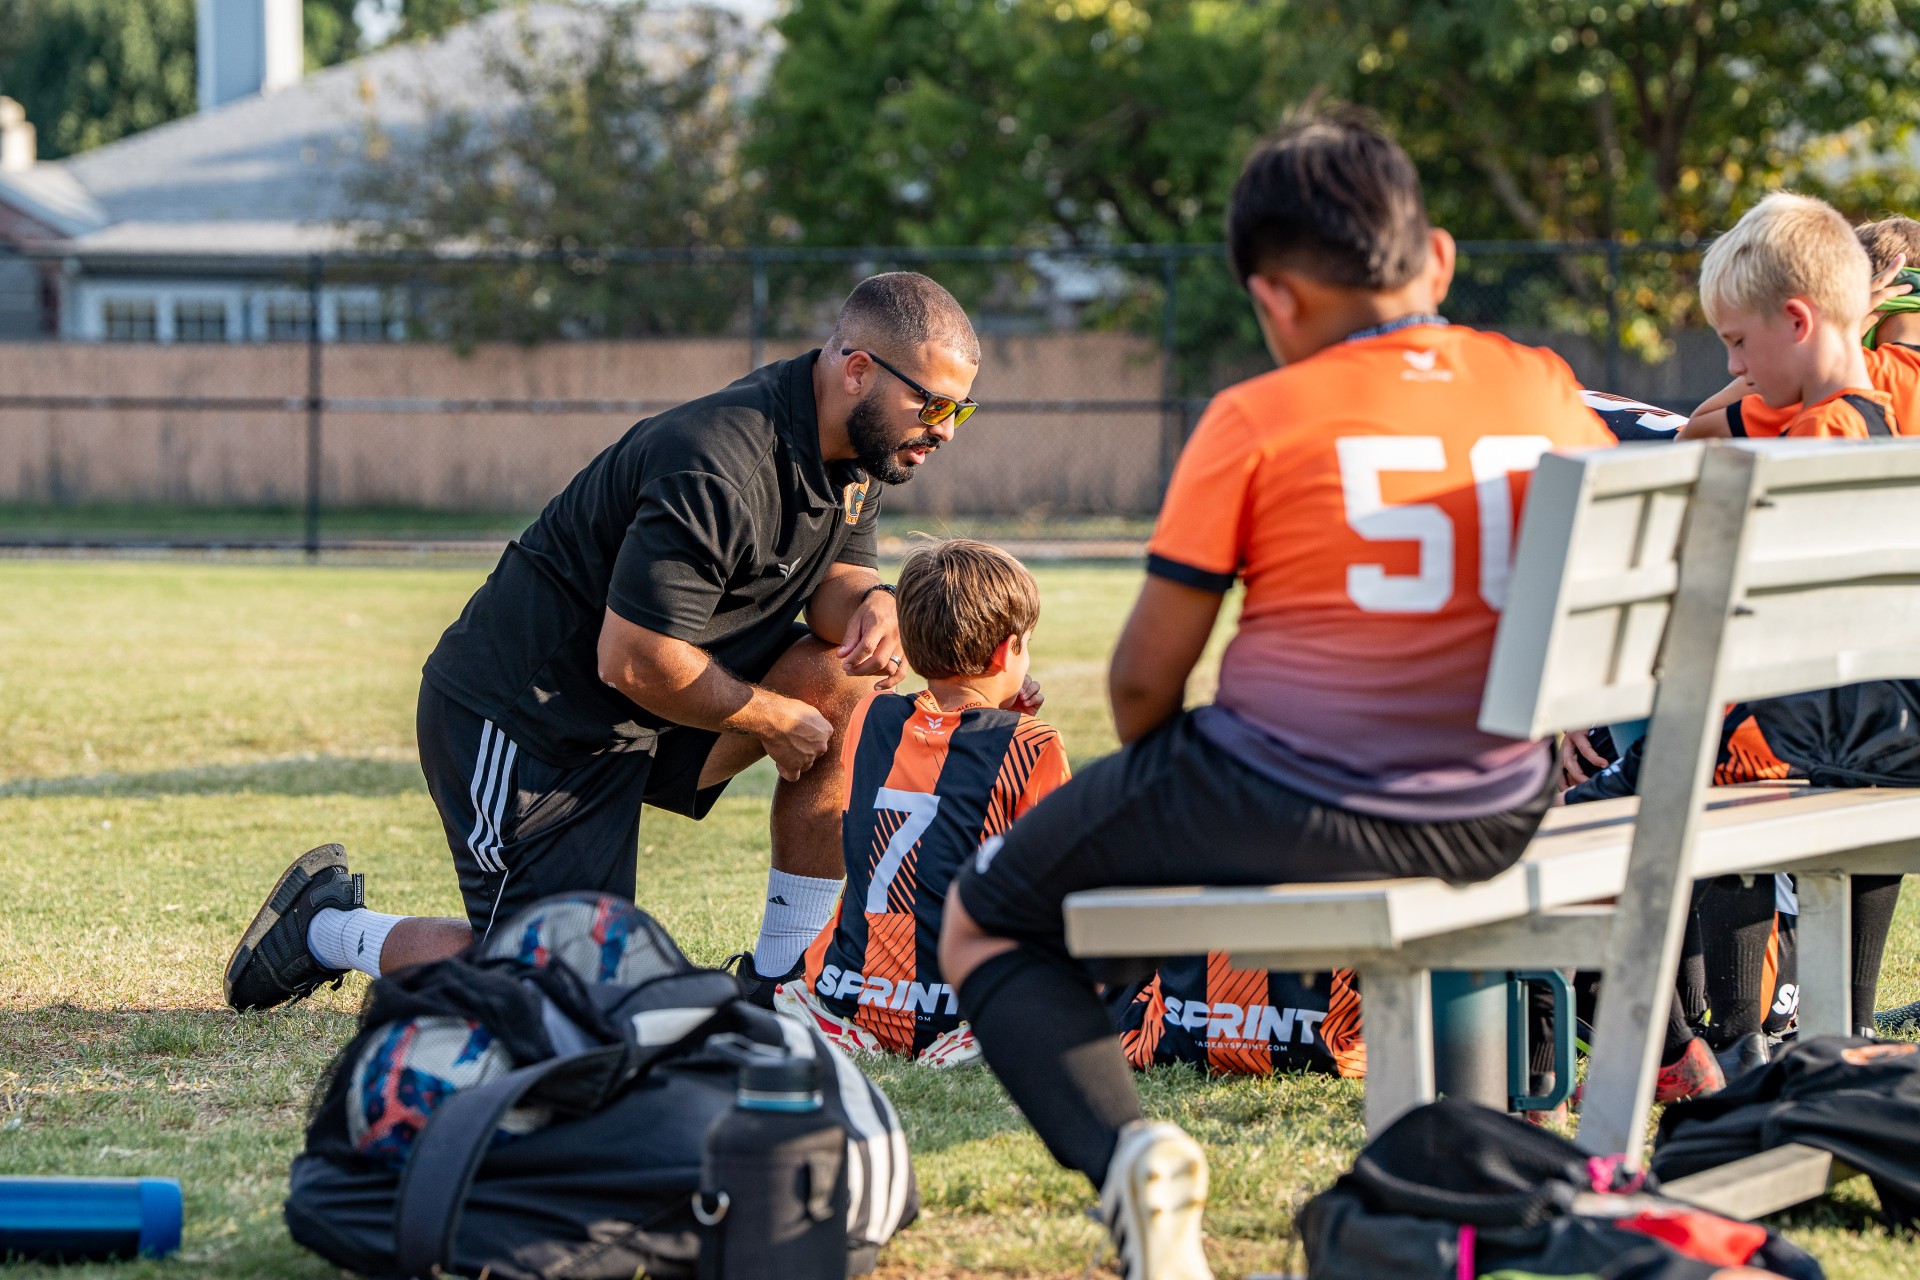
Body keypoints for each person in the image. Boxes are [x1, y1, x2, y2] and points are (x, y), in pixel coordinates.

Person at [936, 110, 1613, 1280]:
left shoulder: (1257, 415)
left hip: (1283, 800)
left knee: (985, 915)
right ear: (1437, 258)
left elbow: (1146, 676)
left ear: (1276, 297)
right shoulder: (1544, 385)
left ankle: (1128, 1151)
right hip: (1503, 801)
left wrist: (1162, 798)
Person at [224, 274, 983, 1013]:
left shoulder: (858, 451)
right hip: (529, 728)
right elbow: (631, 658)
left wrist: (873, 601)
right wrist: (771, 719)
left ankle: (785, 981)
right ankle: (327, 929)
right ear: (857, 370)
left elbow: (836, 580)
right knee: (566, 995)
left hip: (649, 711)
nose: (945, 429)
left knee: (842, 675)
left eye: (961, 408)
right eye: (933, 402)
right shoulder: (720, 461)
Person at [777, 538, 1066, 1067]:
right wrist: (1016, 722)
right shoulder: (1034, 744)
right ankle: (986, 1024)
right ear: (1007, 651)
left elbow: (935, 751)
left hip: (851, 990)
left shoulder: (871, 717)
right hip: (952, 1005)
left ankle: (828, 1014)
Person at [1683, 212, 1920, 440]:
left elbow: (1695, 431)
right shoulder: (1875, 403)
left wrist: (1842, 330)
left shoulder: (1838, 381)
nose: (1735, 366)